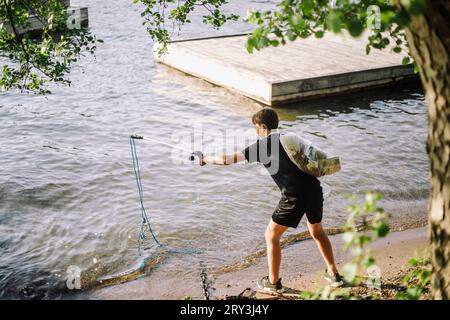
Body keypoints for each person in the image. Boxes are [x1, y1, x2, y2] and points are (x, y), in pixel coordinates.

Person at [199, 108, 343, 293]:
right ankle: (333, 274)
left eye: (256, 128)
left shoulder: (263, 146)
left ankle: (273, 283)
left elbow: (227, 160)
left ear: (263, 127)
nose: (255, 131)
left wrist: (205, 159)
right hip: (314, 190)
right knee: (317, 231)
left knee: (271, 235)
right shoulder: (288, 138)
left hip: (294, 196)